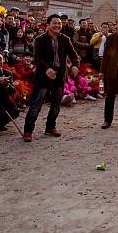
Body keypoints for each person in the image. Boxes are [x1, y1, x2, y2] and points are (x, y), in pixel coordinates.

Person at [23, 14, 80, 142]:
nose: (57, 25)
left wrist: (75, 65)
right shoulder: (40, 40)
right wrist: (47, 68)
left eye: (59, 23)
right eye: (54, 23)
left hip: (59, 75)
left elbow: (74, 55)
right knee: (37, 103)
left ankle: (50, 127)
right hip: (43, 76)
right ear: (48, 25)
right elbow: (37, 58)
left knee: (56, 104)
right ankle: (28, 130)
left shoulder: (65, 39)